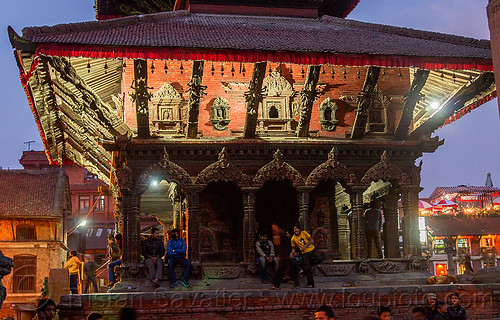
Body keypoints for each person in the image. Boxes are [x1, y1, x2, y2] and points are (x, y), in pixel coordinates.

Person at [290, 223, 323, 288]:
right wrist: (291, 253)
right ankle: (310, 284)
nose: (295, 230)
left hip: (312, 249)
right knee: (307, 269)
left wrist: (306, 245)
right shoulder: (293, 238)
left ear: (299, 229)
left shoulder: (304, 233)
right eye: (294, 229)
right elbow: (293, 248)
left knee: (320, 258)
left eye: (296, 228)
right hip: (305, 253)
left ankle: (310, 264)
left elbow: (312, 240)